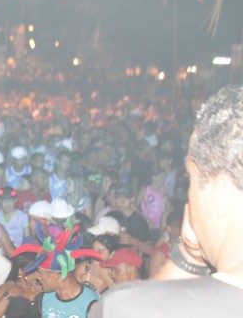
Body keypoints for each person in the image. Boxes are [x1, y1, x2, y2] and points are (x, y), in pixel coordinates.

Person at [92, 85, 243, 316]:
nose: (186, 198)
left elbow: (129, 308)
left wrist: (185, 262)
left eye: (190, 180)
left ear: (221, 193)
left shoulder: (123, 308)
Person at [15, 221, 101, 318]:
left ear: (55, 274)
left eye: (40, 273)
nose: (38, 277)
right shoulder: (45, 298)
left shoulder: (90, 302)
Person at [0, 251, 42, 318]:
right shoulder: (8, 286)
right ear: (20, 271)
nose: (37, 276)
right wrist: (9, 295)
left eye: (39, 271)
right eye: (32, 271)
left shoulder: (43, 288)